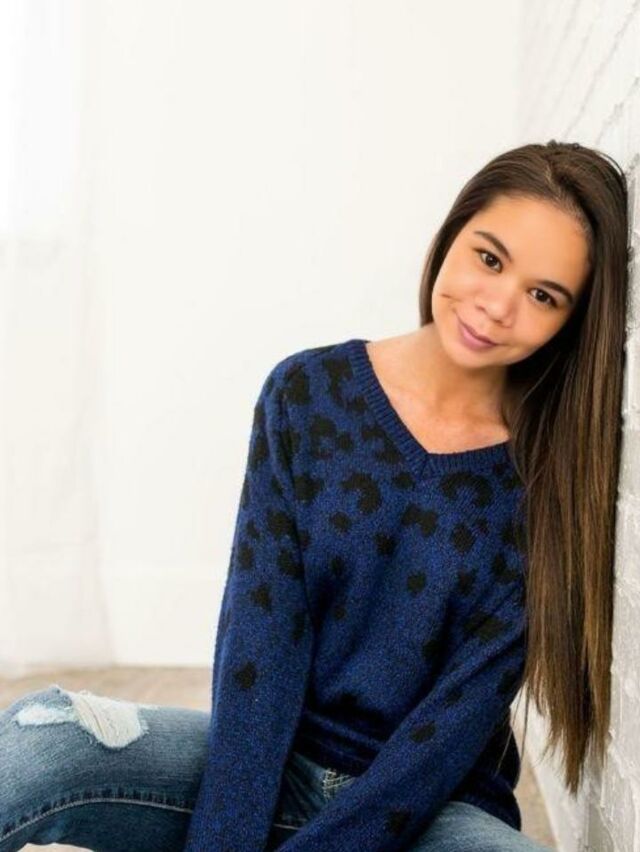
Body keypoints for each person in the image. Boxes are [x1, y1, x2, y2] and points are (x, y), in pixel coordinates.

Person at [0, 140, 629, 852]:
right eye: (489, 258)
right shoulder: (308, 395)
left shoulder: (549, 477)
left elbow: (454, 726)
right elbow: (260, 644)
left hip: (430, 807)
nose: (497, 305)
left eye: (543, 296)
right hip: (276, 762)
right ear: (453, 234)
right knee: (42, 736)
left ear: (570, 322)